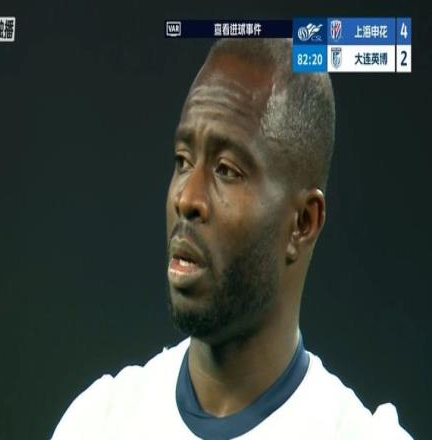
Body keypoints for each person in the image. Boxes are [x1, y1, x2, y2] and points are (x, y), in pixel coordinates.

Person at [52, 39, 412, 440]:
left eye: (226, 170)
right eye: (183, 161)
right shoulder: (99, 422)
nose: (187, 198)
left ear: (303, 223)